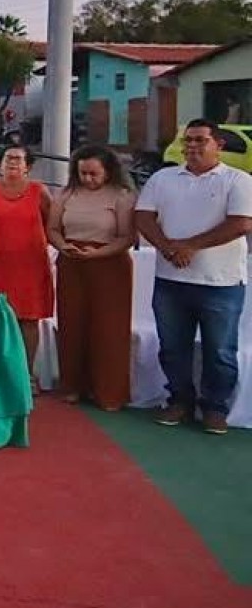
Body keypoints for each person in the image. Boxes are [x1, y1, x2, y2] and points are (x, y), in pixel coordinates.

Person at [135, 119, 252, 435]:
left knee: (220, 351)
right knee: (172, 347)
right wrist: (167, 248)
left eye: (200, 140)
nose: (192, 146)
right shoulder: (162, 178)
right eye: (188, 140)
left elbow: (241, 224)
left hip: (221, 283)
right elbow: (143, 216)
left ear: (219, 145)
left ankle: (215, 408)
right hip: (170, 281)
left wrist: (190, 246)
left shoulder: (238, 180)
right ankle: (179, 401)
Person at [46, 144, 137, 411]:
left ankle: (108, 391)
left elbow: (127, 237)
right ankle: (73, 385)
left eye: (94, 174)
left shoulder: (122, 196)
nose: (88, 179)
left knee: (108, 328)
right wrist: (63, 246)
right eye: (83, 173)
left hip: (109, 265)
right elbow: (53, 228)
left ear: (108, 171)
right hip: (72, 262)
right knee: (72, 323)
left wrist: (98, 253)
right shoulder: (66, 194)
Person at [0, 144, 55, 393]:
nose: (12, 162)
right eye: (8, 158)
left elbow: (51, 223)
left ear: (28, 166)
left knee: (29, 319)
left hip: (30, 264)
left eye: (18, 159)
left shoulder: (39, 191)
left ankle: (27, 375)